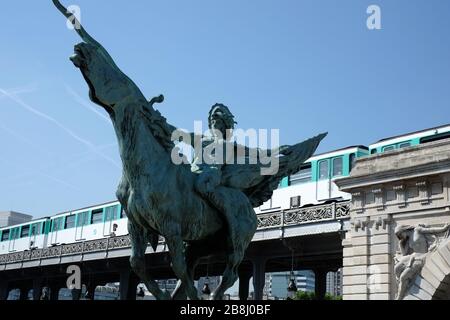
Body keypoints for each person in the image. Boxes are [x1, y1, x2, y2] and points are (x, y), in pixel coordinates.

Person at [394, 223, 450, 300]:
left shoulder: (417, 230)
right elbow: (404, 254)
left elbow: (431, 230)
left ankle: (400, 297)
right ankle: (403, 289)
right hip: (413, 257)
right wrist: (401, 244)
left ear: (404, 230)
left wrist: (443, 229)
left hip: (422, 257)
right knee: (397, 268)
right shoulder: (407, 240)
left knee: (403, 277)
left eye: (400, 235)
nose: (400, 237)